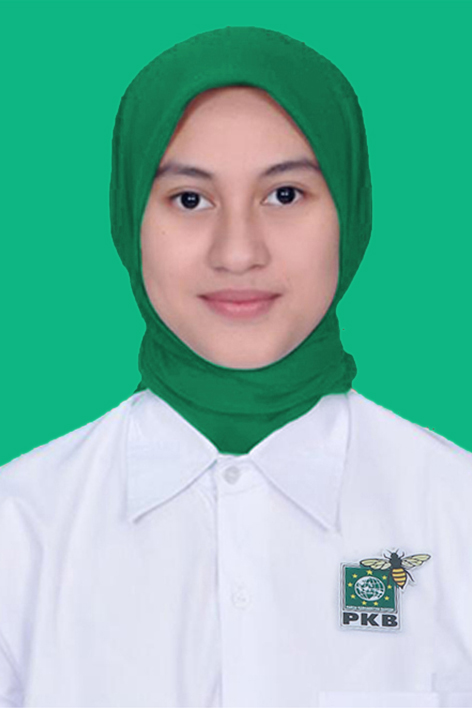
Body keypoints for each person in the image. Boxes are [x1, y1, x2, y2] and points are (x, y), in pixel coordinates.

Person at [0, 25, 471, 708]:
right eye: (190, 199)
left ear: (351, 210)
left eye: (285, 195)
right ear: (129, 218)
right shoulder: (21, 530)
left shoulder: (455, 515)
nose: (239, 252)